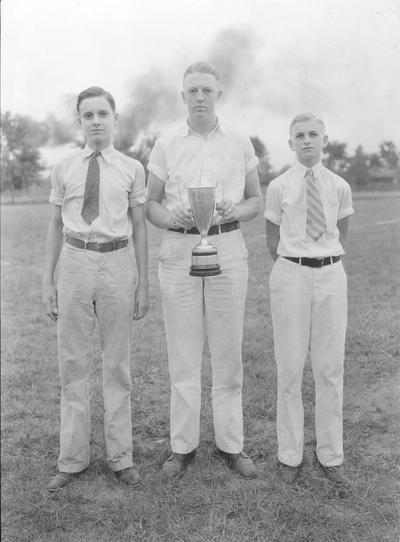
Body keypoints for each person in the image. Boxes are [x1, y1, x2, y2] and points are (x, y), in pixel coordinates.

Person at [146, 61, 262, 479]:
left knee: (228, 354)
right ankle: (183, 448)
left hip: (226, 247)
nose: (199, 97)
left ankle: (232, 446)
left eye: (206, 91)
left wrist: (237, 208)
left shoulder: (238, 141)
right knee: (183, 355)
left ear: (218, 95)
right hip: (178, 252)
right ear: (182, 96)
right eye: (192, 90)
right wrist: (172, 217)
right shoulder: (165, 143)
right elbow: (150, 206)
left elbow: (255, 200)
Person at [42, 86, 149, 490]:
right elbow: (54, 225)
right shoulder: (65, 167)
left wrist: (143, 283)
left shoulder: (131, 168)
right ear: (80, 121)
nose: (96, 121)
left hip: (117, 261)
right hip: (74, 260)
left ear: (115, 118)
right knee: (72, 361)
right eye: (88, 115)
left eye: (103, 114)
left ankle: (121, 457)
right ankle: (72, 459)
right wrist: (47, 281)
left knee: (116, 363)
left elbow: (139, 226)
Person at [265, 112, 354, 486]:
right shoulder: (279, 186)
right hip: (291, 274)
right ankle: (290, 455)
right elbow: (272, 238)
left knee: (329, 368)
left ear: (324, 140)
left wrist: (323, 262)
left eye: (313, 134)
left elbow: (342, 233)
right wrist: (296, 265)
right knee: (289, 366)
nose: (306, 141)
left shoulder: (339, 186)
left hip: (331, 274)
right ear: (290, 143)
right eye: (299, 135)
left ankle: (331, 456)